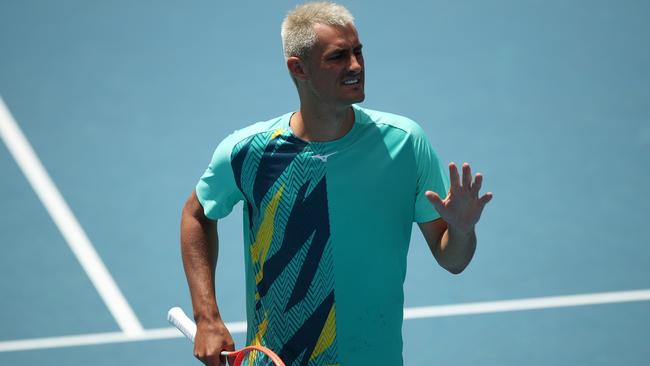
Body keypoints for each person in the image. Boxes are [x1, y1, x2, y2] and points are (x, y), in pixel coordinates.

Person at [180, 2, 492, 365]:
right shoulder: (250, 153)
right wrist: (206, 316)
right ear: (299, 68)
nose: (356, 66)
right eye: (338, 57)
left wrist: (462, 229)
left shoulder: (405, 144)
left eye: (358, 52)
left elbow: (453, 259)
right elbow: (197, 214)